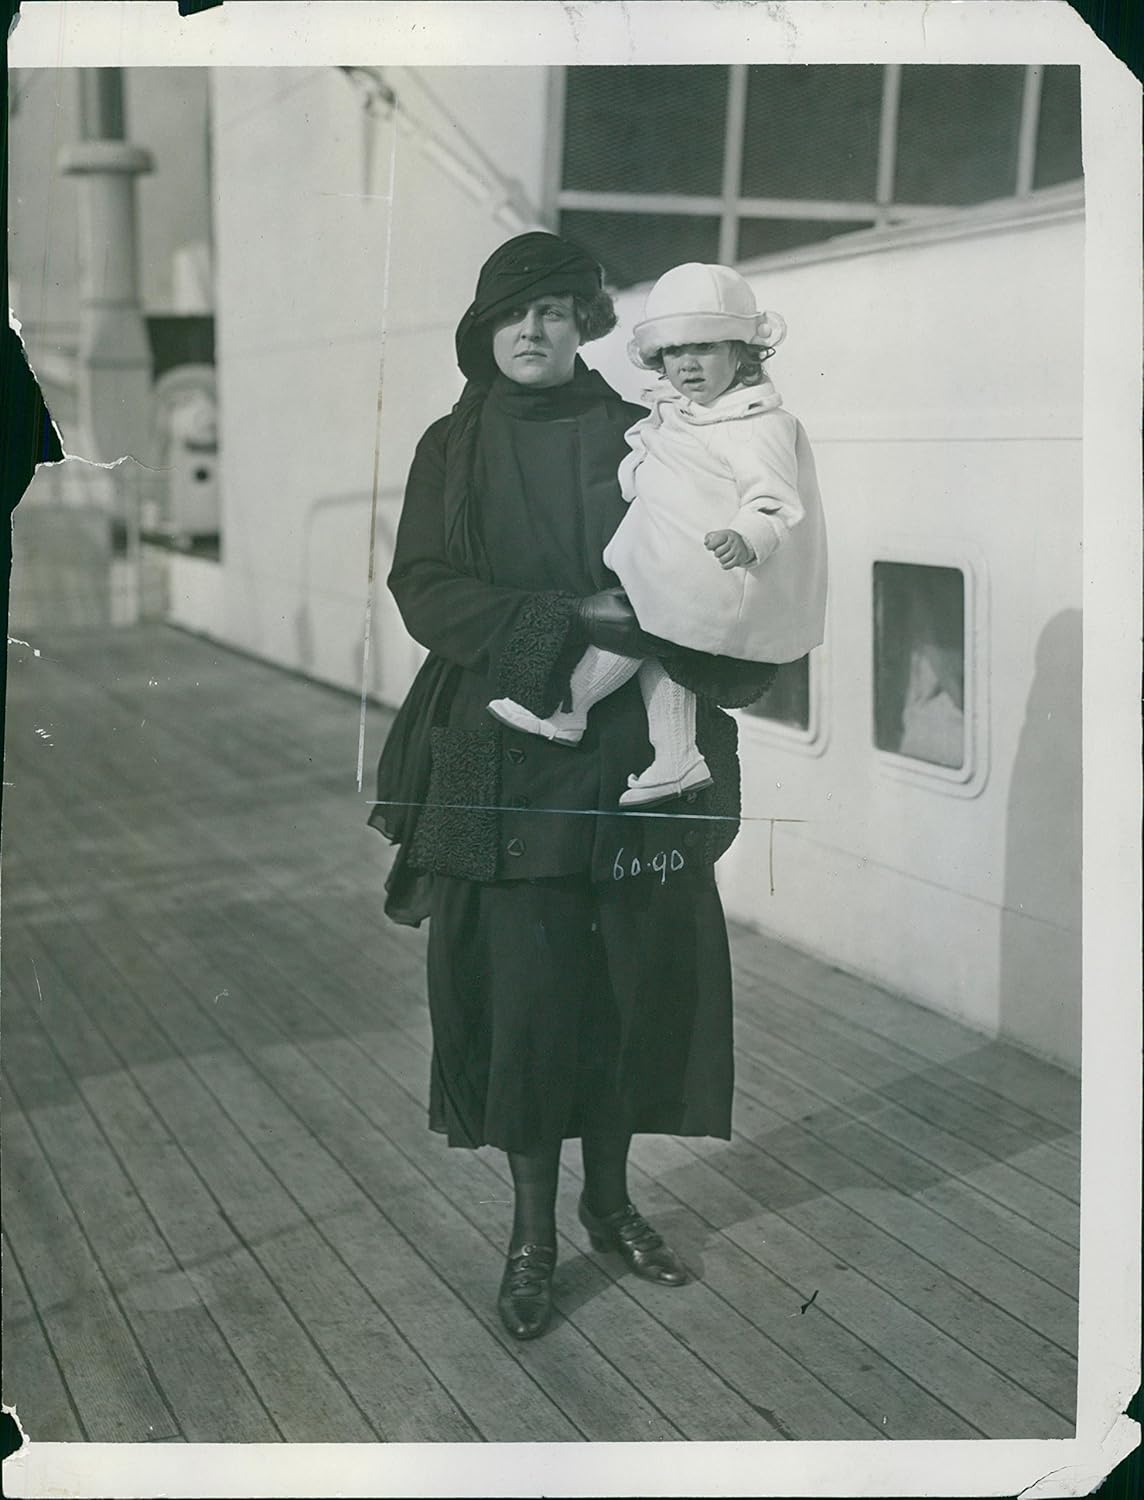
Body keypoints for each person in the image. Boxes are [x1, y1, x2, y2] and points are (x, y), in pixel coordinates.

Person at [370, 233, 774, 1342]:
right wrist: (570, 622)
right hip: (495, 748)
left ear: (585, 324)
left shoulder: (643, 433)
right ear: (484, 330)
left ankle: (610, 1204)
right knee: (525, 999)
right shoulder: (449, 448)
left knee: (625, 984)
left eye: (555, 312)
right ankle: (532, 1232)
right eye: (516, 314)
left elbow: (705, 563)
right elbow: (425, 590)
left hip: (630, 756)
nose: (536, 332)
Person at [488, 262, 827, 807]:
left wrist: (746, 535)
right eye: (672, 353)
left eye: (705, 348)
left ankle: (569, 710)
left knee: (636, 630)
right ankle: (675, 757)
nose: (686, 365)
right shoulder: (682, 412)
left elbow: (774, 500)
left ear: (743, 352)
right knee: (663, 649)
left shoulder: (759, 423)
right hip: (677, 566)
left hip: (718, 574)